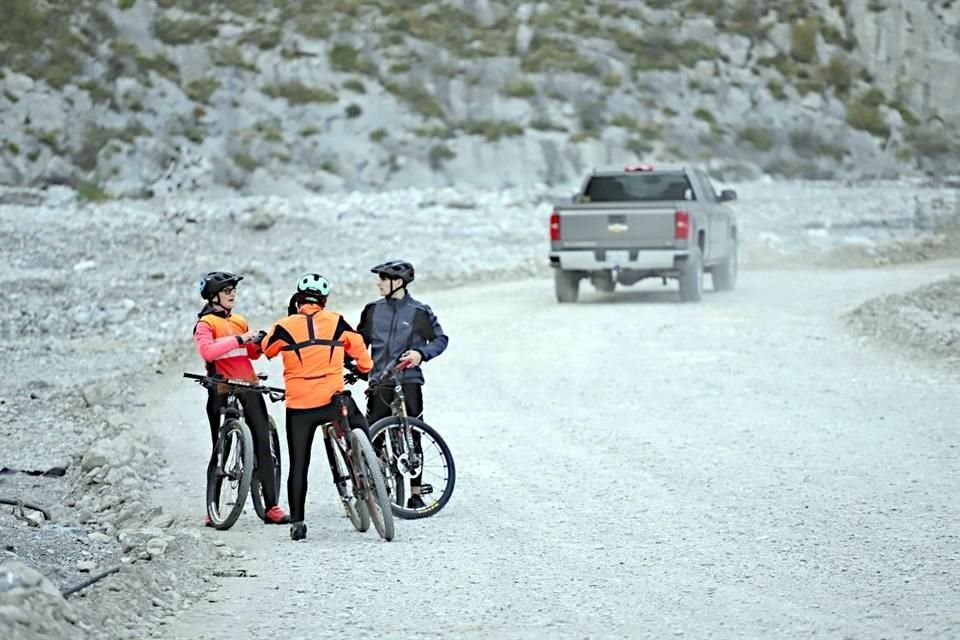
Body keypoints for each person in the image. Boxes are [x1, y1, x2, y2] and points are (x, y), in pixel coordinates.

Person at [259, 273, 372, 541]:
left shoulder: (284, 325)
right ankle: (370, 463)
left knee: (299, 464)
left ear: (298, 299)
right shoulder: (336, 321)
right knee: (357, 422)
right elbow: (363, 358)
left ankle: (297, 523)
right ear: (324, 300)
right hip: (333, 400)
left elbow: (267, 349)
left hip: (300, 408)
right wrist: (362, 368)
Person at [192, 271, 290, 526]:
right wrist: (240, 338)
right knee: (219, 450)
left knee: (262, 444)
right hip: (221, 388)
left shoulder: (239, 320)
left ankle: (271, 507)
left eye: (234, 290)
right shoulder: (205, 324)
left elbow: (252, 354)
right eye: (227, 291)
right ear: (213, 297)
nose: (232, 295)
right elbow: (207, 351)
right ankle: (212, 508)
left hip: (248, 385)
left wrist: (258, 342)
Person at [357, 260, 449, 509]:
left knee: (413, 433)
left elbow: (440, 339)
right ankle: (374, 485)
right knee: (372, 436)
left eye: (383, 279)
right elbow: (357, 343)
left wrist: (420, 354)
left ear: (397, 283)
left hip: (408, 380)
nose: (378, 282)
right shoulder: (372, 311)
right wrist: (354, 367)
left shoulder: (419, 311)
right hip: (379, 381)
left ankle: (415, 491)